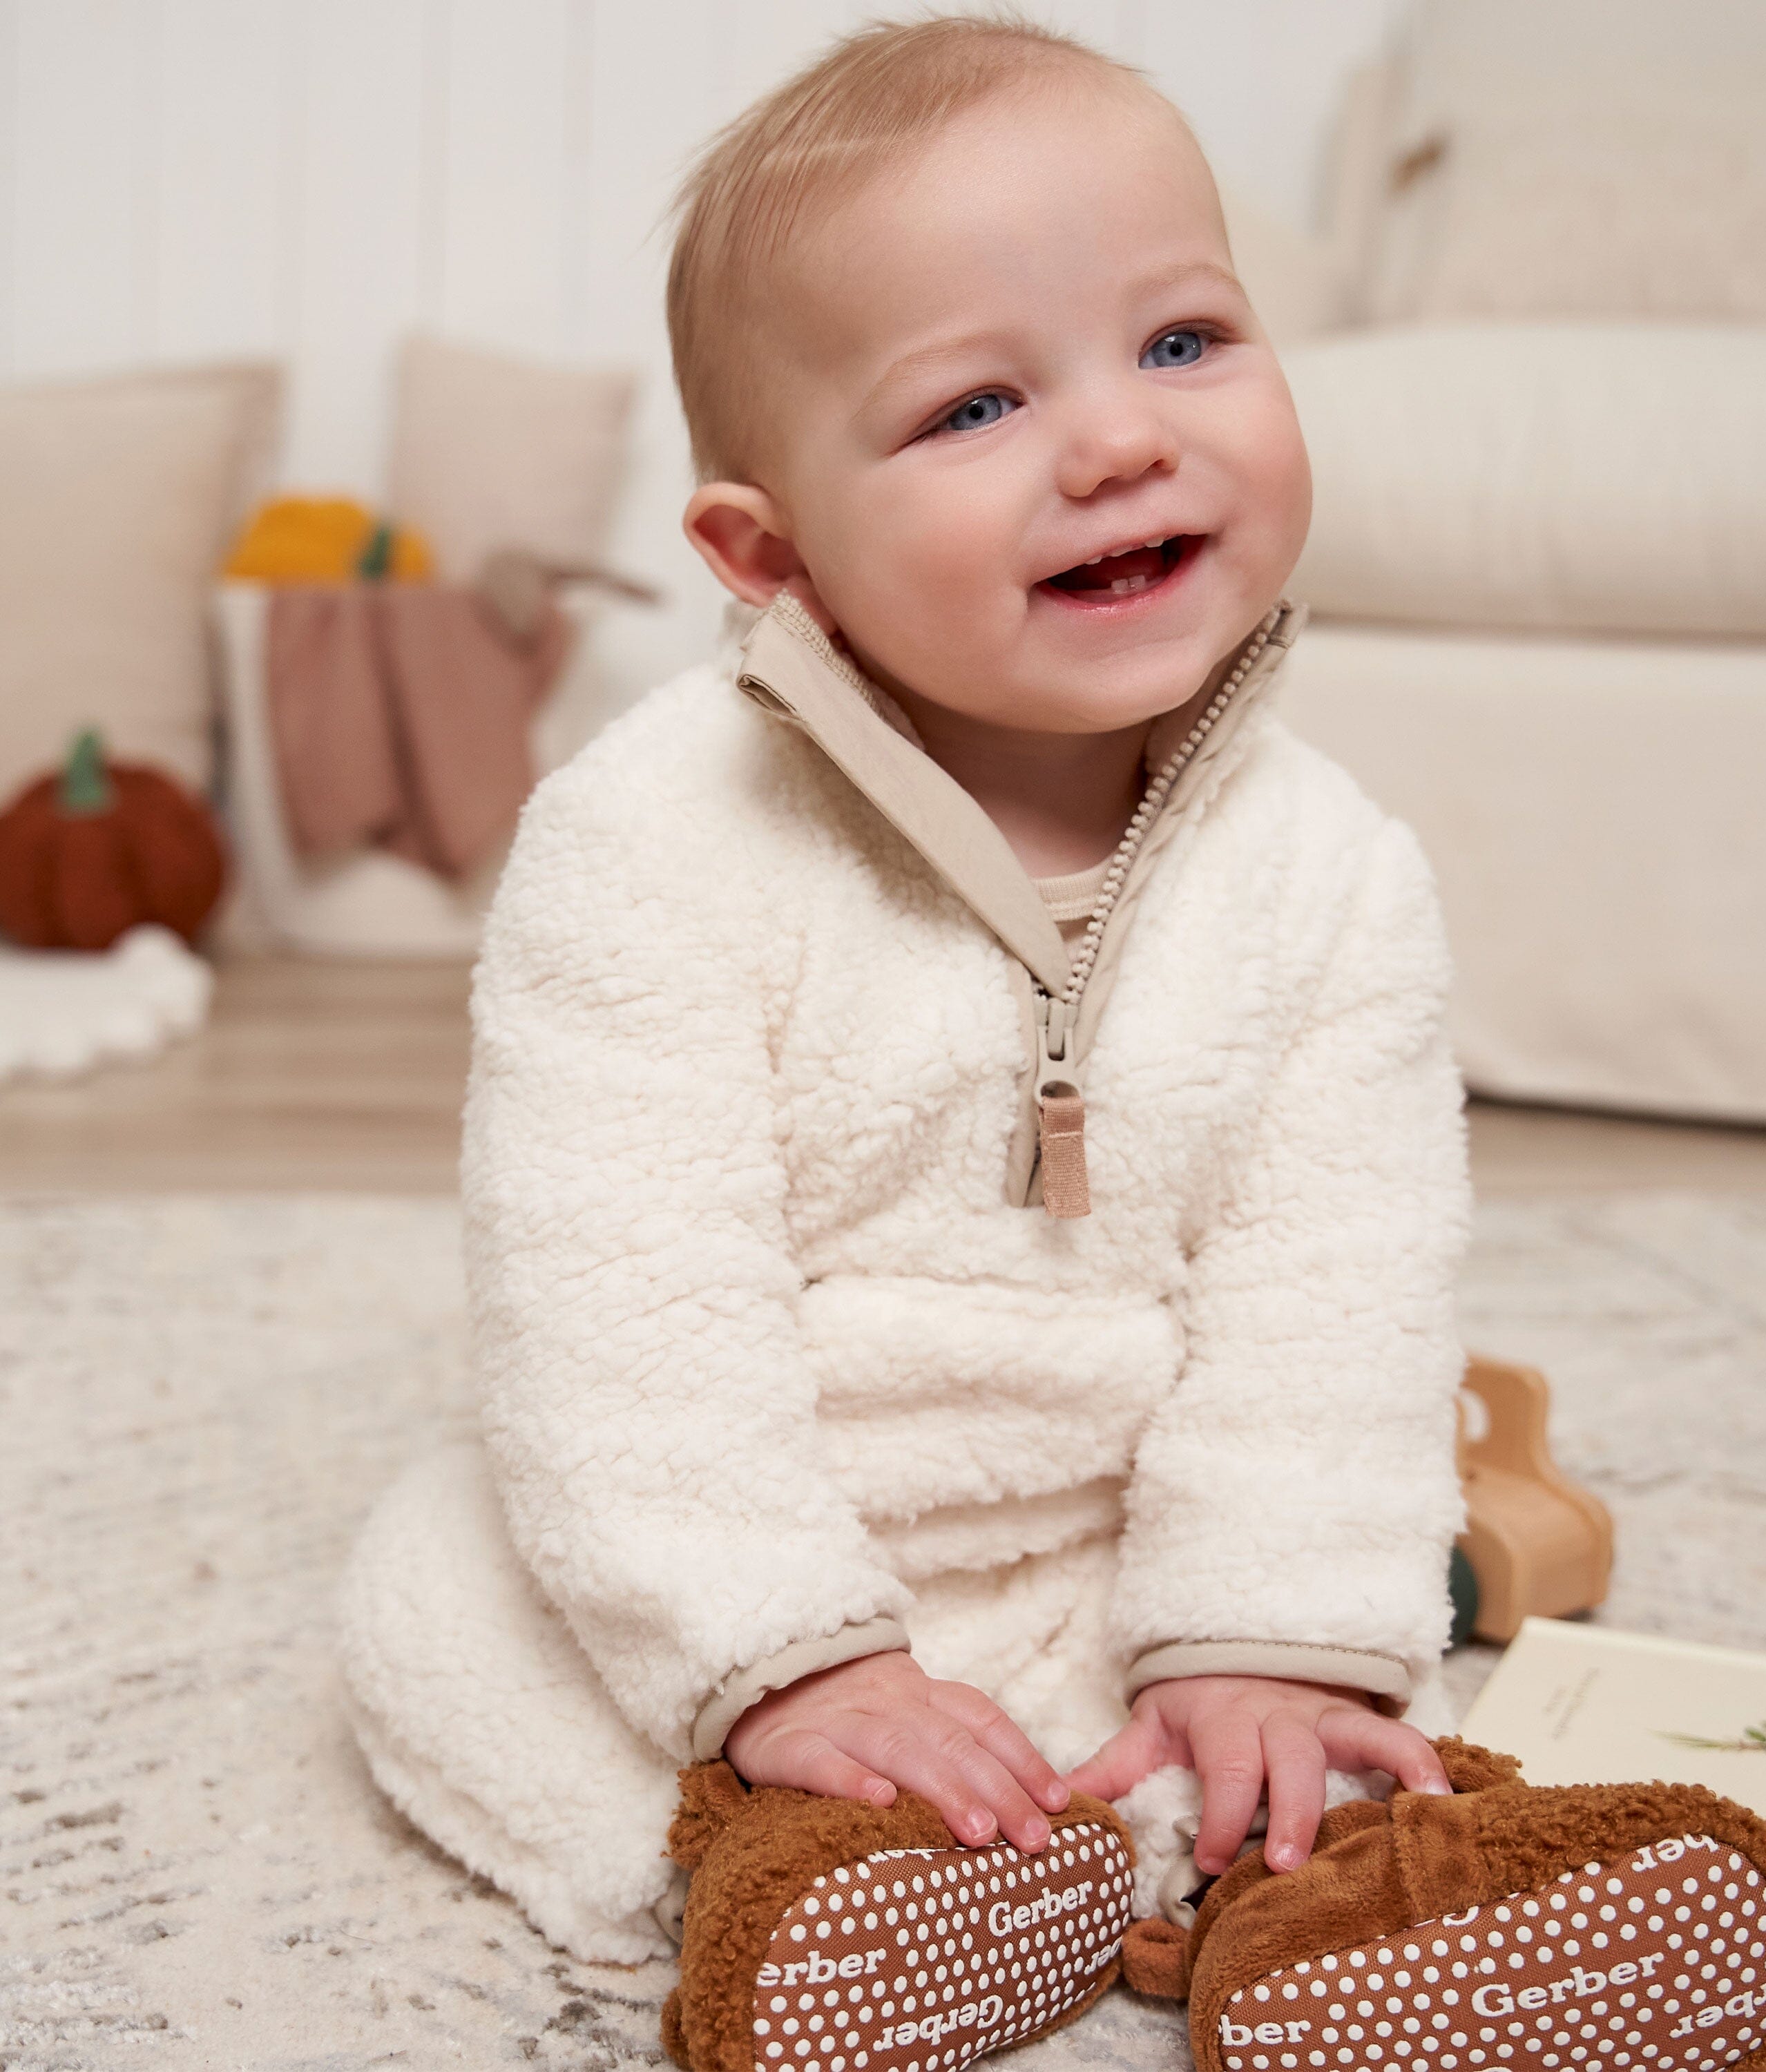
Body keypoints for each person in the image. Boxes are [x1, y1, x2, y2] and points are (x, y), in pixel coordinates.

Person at [336, 12, 1471, 1968]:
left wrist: (1262, 1624)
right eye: (975, 409)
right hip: (744, 1506)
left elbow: (1336, 1290)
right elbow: (621, 1302)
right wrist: (780, 1655)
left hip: (1113, 1519)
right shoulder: (649, 844)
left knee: (1316, 1682)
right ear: (774, 562)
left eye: (1185, 341)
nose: (1122, 438)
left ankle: (1293, 1888)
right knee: (444, 1617)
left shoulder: (1334, 870)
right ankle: (786, 1862)